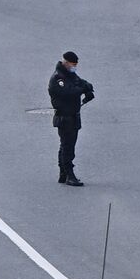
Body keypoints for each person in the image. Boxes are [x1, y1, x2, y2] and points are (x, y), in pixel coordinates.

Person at [47, 51, 95, 186]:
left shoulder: (70, 75)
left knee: (67, 145)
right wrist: (81, 89)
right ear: (66, 62)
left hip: (73, 116)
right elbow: (68, 92)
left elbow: (80, 82)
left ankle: (63, 173)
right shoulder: (58, 78)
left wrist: (88, 89)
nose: (74, 67)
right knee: (67, 147)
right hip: (64, 117)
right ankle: (69, 174)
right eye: (73, 64)